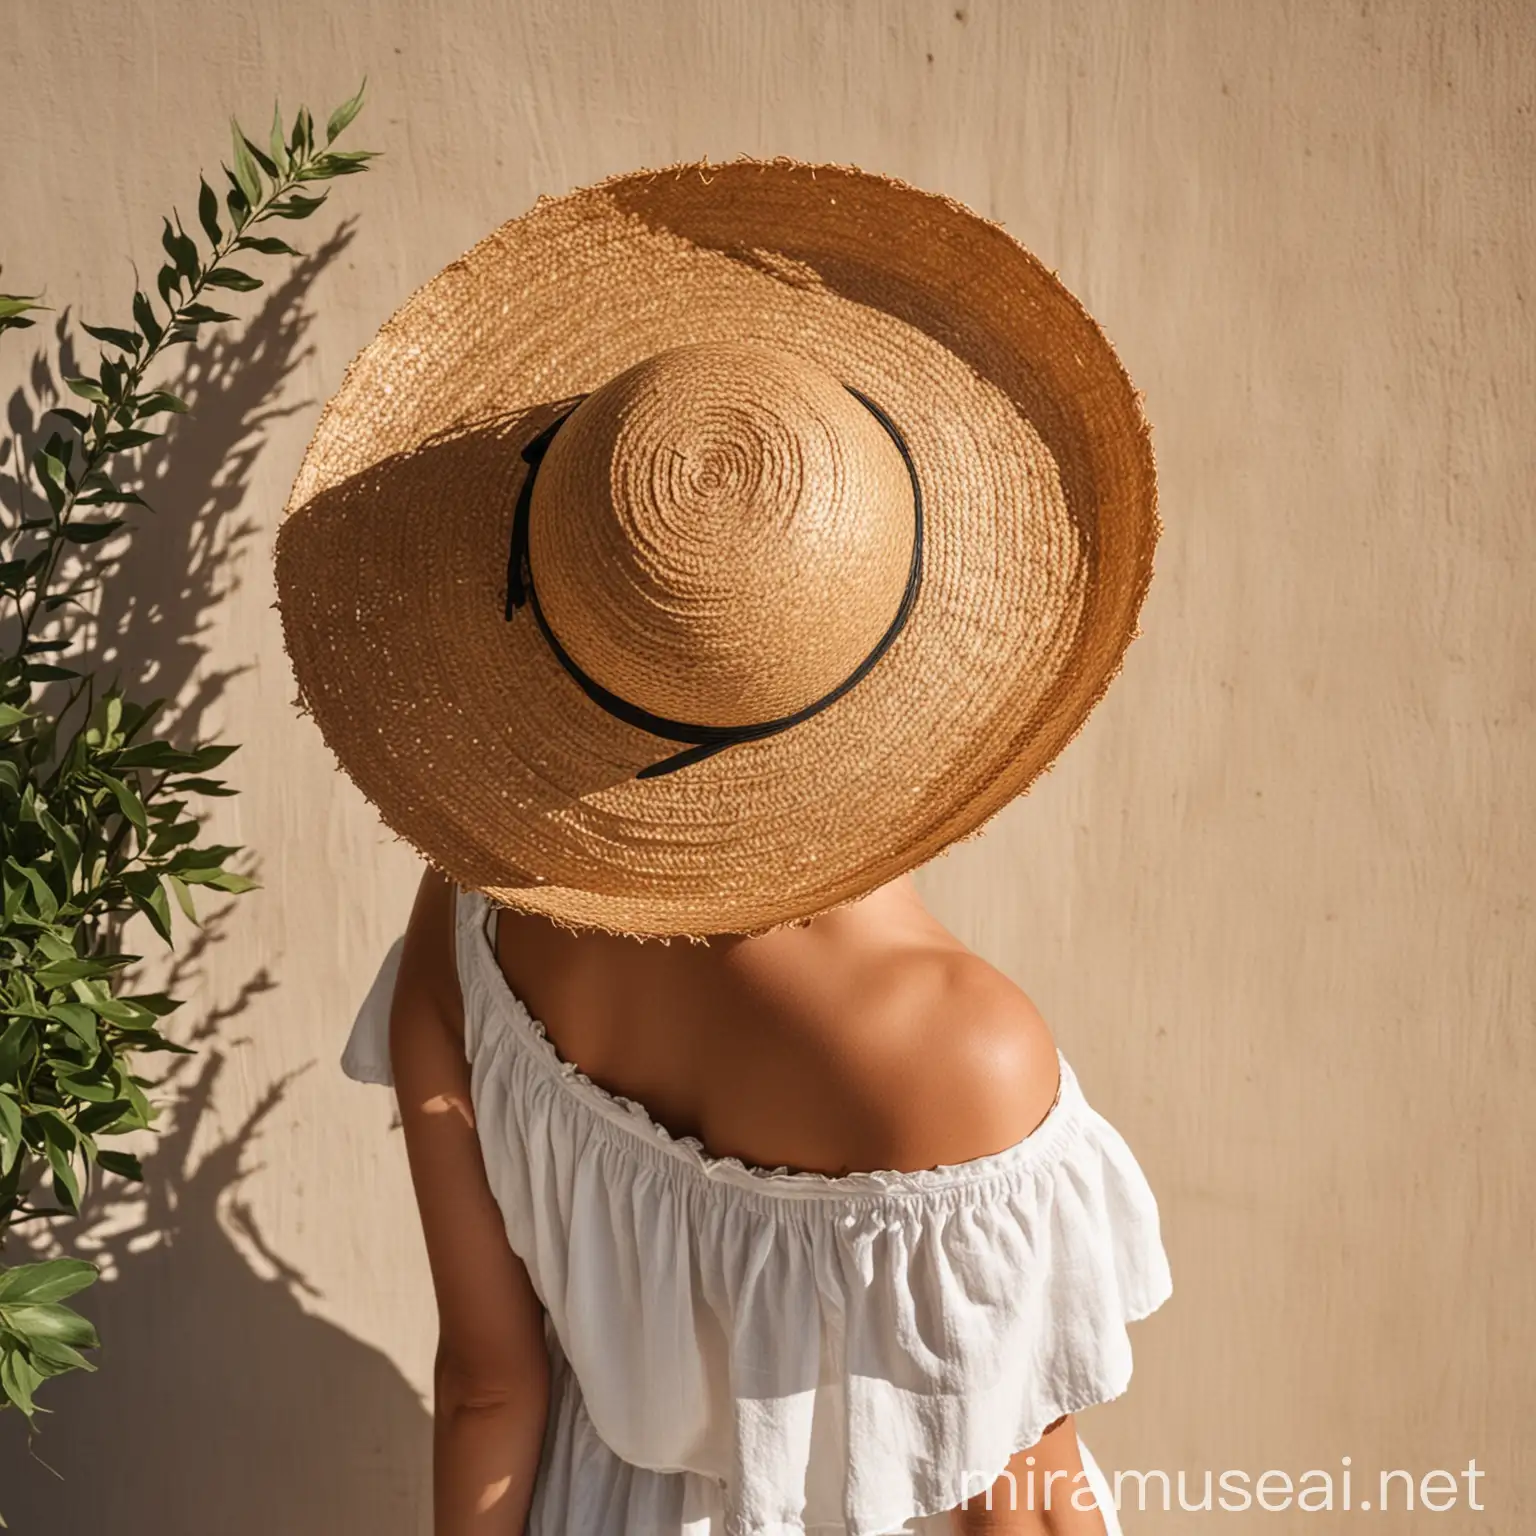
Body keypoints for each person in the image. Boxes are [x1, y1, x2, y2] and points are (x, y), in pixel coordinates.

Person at [275, 157, 1171, 1534]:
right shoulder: (956, 1055)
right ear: (912, 658)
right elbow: (1021, 1510)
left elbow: (486, 1388)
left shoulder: (472, 915)